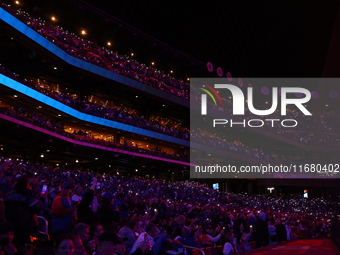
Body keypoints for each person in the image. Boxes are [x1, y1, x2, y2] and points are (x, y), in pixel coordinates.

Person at [5, 175, 45, 244]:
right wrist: (43, 198)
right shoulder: (27, 196)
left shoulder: (8, 195)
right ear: (27, 185)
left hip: (11, 229)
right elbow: (40, 207)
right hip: (25, 230)